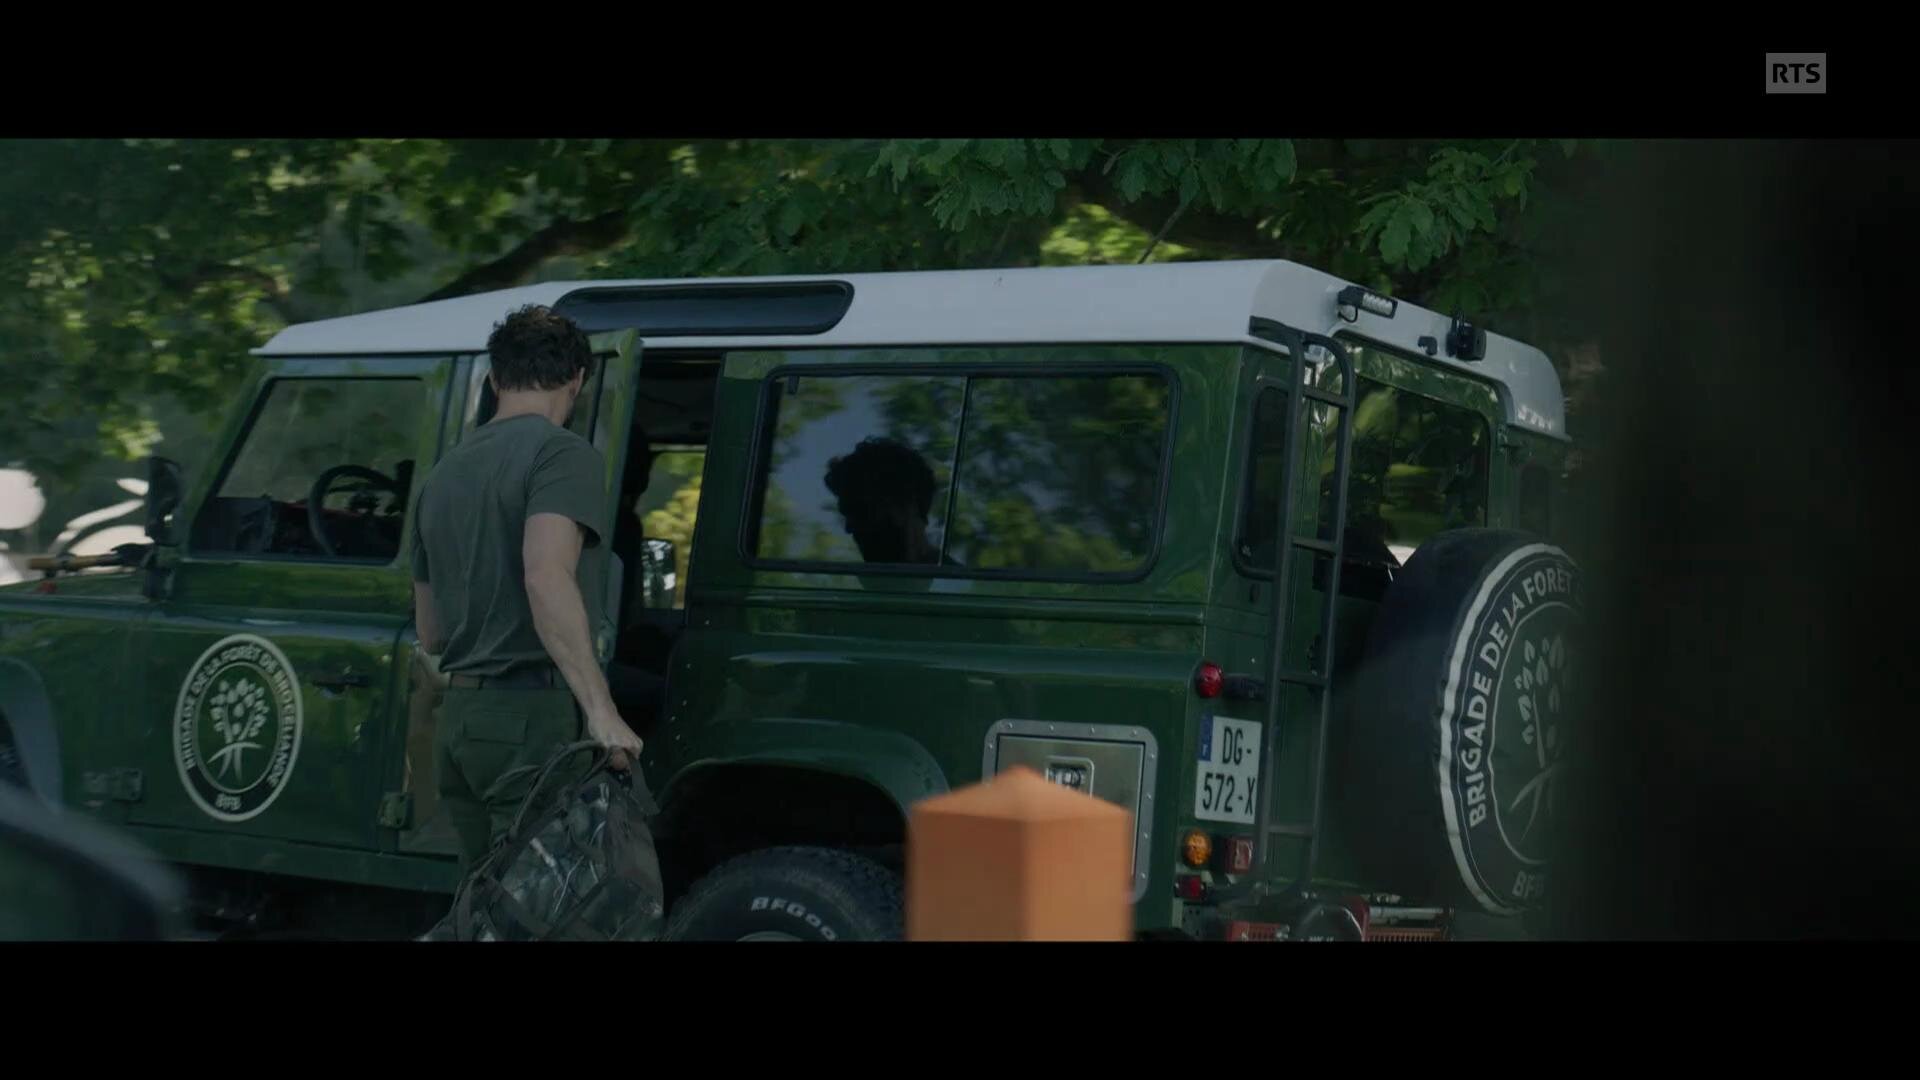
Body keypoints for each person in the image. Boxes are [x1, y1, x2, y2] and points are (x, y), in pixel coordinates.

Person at [409, 304, 643, 886]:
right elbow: (545, 574)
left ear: (495, 379)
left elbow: (431, 632)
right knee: (537, 906)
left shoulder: (442, 473)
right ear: (577, 380)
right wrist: (601, 712)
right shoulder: (562, 454)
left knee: (483, 904)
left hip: (460, 722)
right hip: (529, 721)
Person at [823, 436, 948, 565]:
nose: (849, 528)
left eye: (860, 512)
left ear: (904, 506)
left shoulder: (953, 576)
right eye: (848, 515)